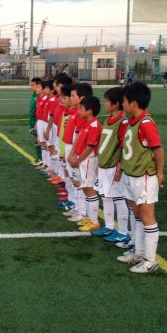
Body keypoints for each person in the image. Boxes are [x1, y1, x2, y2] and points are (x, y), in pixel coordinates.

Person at [117, 82, 164, 274]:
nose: (122, 104)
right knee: (135, 213)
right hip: (130, 174)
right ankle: (139, 251)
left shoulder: (145, 123)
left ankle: (150, 260)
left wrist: (159, 172)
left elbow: (158, 149)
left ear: (134, 103)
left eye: (125, 101)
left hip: (143, 176)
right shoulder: (131, 121)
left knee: (147, 216)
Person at [93, 87, 131, 244]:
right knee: (105, 196)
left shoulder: (123, 122)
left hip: (113, 166)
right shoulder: (107, 119)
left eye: (107, 101)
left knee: (118, 198)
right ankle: (109, 226)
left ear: (116, 104)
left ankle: (123, 232)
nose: (105, 103)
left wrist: (120, 167)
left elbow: (124, 146)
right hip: (103, 165)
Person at [68, 95, 102, 232]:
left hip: (88, 161)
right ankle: (89, 218)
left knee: (89, 189)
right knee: (85, 188)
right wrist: (72, 155)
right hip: (81, 160)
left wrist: (78, 160)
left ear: (90, 111)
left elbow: (90, 147)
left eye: (81, 108)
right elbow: (79, 141)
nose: (79, 111)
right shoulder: (85, 122)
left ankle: (94, 221)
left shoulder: (94, 125)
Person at [61, 83, 93, 224]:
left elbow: (80, 138)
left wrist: (75, 154)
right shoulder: (75, 112)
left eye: (73, 95)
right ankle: (76, 206)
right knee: (74, 179)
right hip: (71, 149)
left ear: (82, 97)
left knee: (80, 181)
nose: (71, 98)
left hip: (80, 154)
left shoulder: (81, 115)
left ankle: (82, 211)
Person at [29, 77, 42, 166]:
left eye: (33, 85)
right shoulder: (34, 95)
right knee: (35, 140)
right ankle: (39, 158)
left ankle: (42, 159)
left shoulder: (39, 96)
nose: (31, 87)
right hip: (32, 120)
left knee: (39, 140)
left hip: (37, 121)